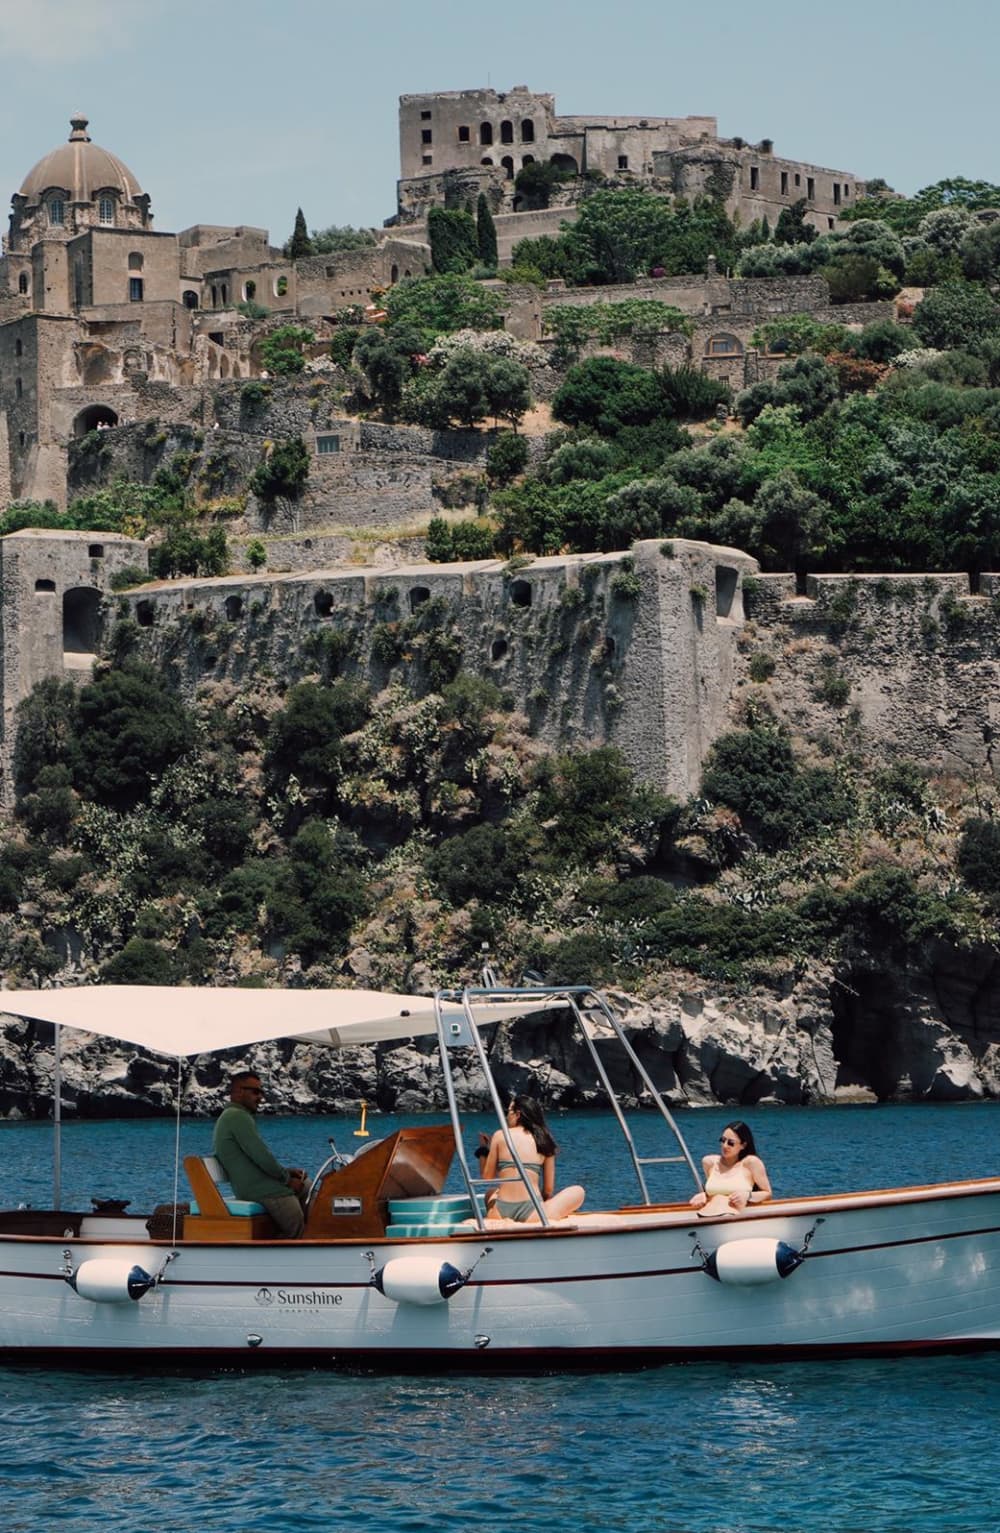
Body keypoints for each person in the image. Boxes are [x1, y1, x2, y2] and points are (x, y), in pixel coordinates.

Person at [212, 1071, 310, 1239]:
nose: (260, 1097)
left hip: (255, 1186)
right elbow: (261, 1156)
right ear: (238, 1091)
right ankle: (297, 1246)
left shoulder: (235, 1116)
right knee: (297, 1223)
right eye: (255, 1092)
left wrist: (287, 1172)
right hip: (259, 1190)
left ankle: (290, 1238)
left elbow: (257, 1158)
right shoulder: (237, 1117)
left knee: (306, 1185)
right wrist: (286, 1180)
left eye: (262, 1092)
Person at [477, 1095, 584, 1224]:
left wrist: (483, 1149)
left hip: (500, 1212)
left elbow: (487, 1177)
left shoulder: (499, 1135)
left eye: (509, 1111)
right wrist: (545, 1204)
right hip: (533, 1212)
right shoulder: (544, 1138)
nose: (507, 1116)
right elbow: (548, 1190)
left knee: (490, 1193)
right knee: (579, 1191)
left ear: (518, 1114)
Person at [689, 1120, 772, 1217]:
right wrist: (704, 1195)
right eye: (723, 1140)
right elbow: (712, 1193)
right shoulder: (709, 1162)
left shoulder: (751, 1163)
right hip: (704, 1216)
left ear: (743, 1145)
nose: (725, 1146)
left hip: (730, 1218)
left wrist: (747, 1196)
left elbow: (767, 1194)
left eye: (731, 1143)